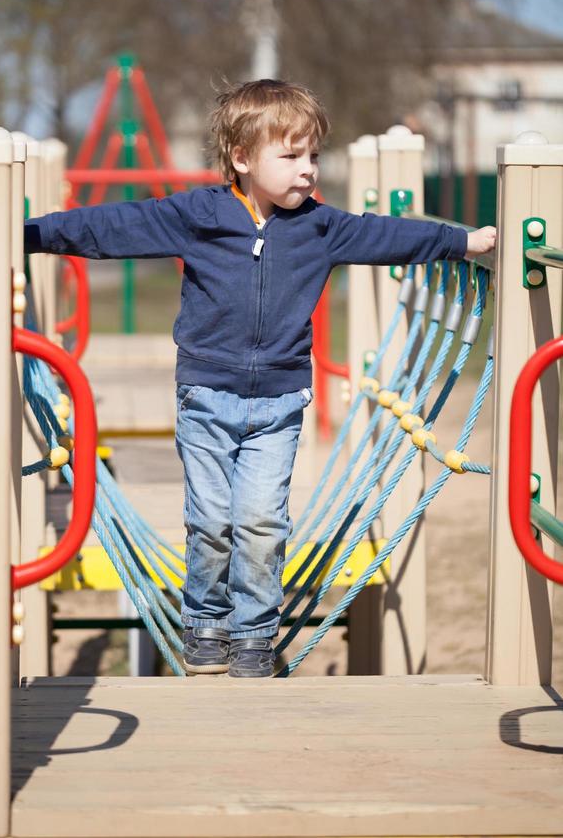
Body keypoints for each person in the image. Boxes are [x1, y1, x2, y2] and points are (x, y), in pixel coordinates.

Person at [24, 79, 496, 678]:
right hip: (205, 396)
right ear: (242, 159)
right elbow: (115, 227)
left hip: (279, 403)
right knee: (210, 519)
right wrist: (31, 235)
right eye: (291, 155)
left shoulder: (321, 227)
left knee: (262, 521)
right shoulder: (199, 215)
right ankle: (206, 623)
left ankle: (253, 633)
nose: (307, 170)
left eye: (314, 156)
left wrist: (460, 241)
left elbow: (389, 234)